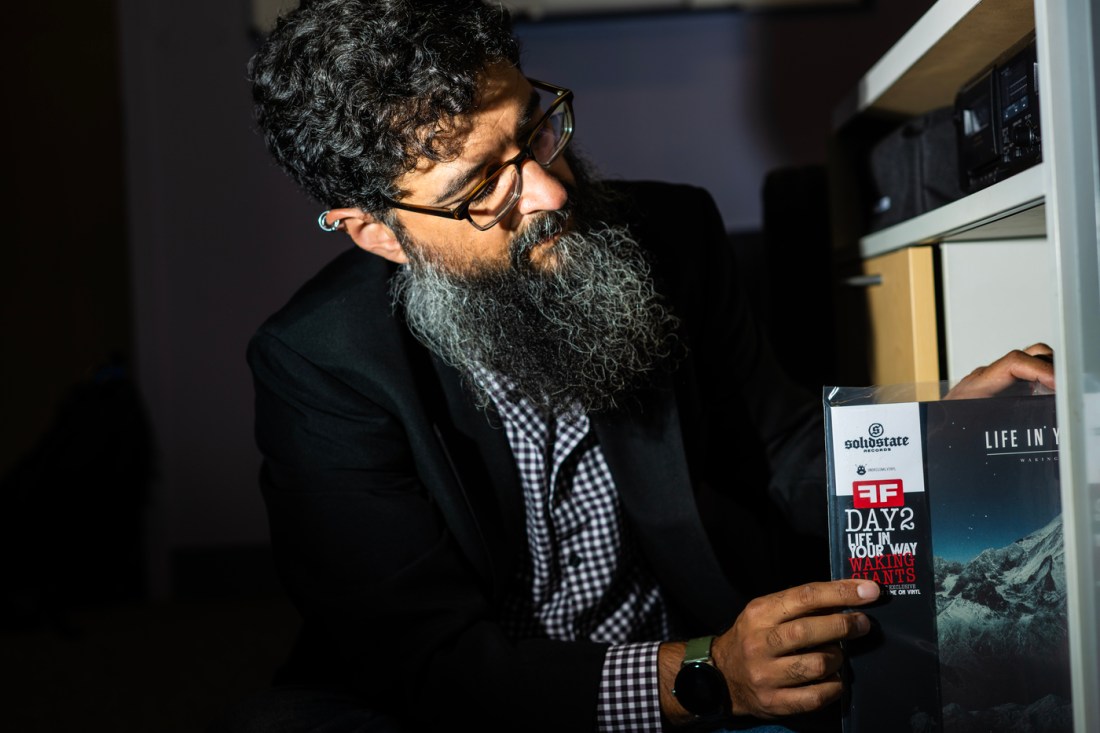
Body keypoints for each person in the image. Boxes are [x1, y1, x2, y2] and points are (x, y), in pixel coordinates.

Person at [216, 1, 1057, 731]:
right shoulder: (316, 361)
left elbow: (782, 444)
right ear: (375, 232)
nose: (548, 190)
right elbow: (428, 661)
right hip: (505, 691)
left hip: (683, 638)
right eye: (482, 186)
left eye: (535, 128)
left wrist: (936, 428)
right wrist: (708, 677)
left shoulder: (677, 232)